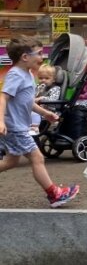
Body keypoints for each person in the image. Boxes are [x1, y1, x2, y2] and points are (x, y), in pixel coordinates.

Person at [0, 37, 77, 207]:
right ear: (25, 57)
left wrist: (46, 113)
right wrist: (1, 122)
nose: (43, 57)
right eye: (40, 53)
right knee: (38, 157)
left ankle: (54, 194)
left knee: (11, 161)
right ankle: (54, 194)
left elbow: (29, 102)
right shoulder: (15, 75)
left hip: (18, 126)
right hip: (15, 128)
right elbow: (3, 97)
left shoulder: (27, 74)